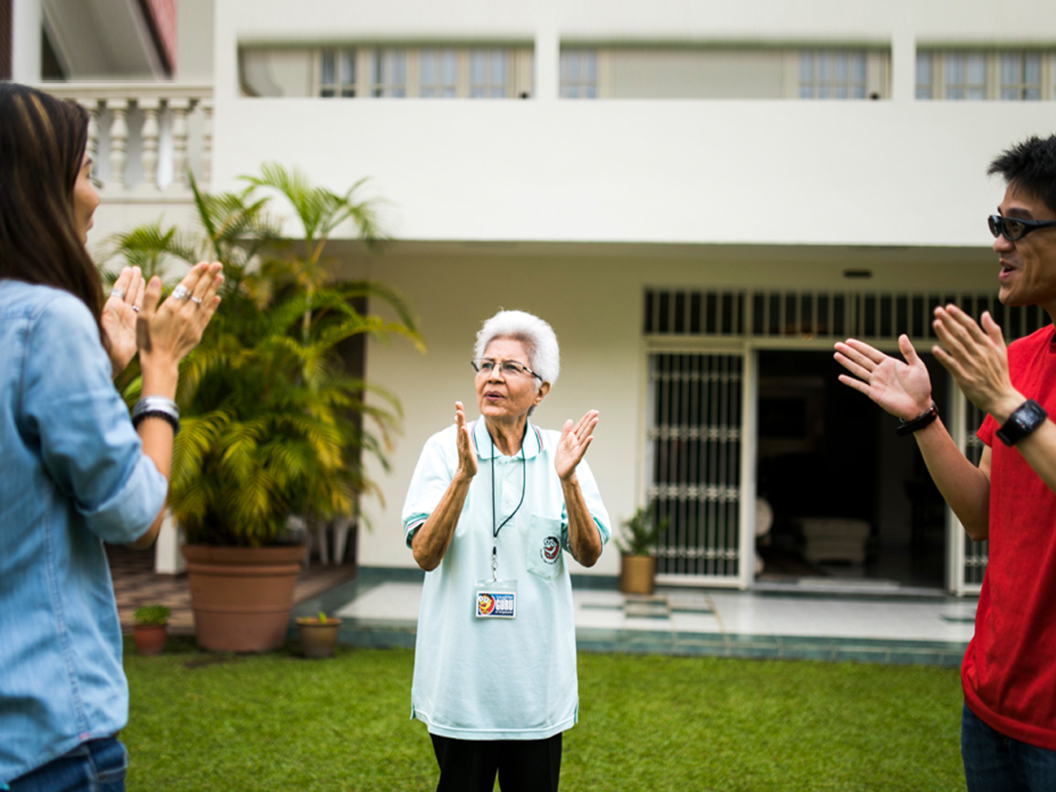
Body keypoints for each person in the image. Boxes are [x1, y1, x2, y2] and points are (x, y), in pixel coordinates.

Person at [0, 83, 223, 791]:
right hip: (44, 739)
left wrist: (98, 368)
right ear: (36, 185)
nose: (95, 196)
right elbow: (133, 514)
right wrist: (160, 370)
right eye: (87, 170)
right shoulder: (44, 321)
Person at [834, 134, 1056, 790]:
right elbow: (985, 515)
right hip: (990, 699)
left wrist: (1009, 405)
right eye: (997, 224)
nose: (998, 242)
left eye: (1017, 225)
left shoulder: (1006, 385)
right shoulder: (1015, 361)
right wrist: (923, 419)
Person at [402, 309, 610, 792]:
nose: (493, 376)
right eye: (486, 365)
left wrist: (568, 481)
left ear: (541, 390)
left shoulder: (564, 453)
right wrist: (462, 479)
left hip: (535, 692)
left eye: (511, 367)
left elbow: (589, 551)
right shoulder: (443, 451)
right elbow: (424, 554)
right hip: (459, 690)